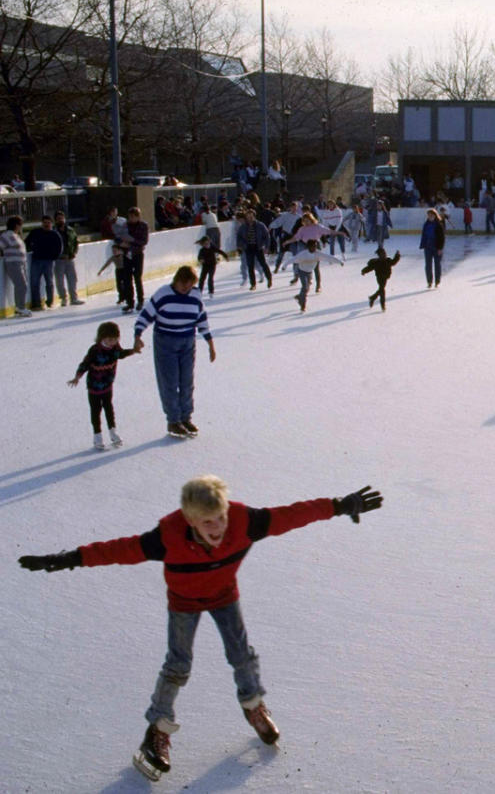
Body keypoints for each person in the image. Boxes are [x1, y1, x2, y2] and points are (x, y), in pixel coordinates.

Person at [17, 476, 383, 782]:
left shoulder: (244, 521)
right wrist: (68, 559)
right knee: (178, 666)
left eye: (221, 518)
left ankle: (253, 705)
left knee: (242, 654)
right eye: (209, 523)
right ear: (190, 520)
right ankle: (157, 730)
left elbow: (292, 514)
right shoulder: (167, 536)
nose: (219, 528)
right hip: (184, 602)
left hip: (225, 594)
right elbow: (119, 550)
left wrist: (339, 505)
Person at [133, 265, 216, 439]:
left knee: (186, 381)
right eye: (182, 285)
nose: (185, 289)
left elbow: (201, 319)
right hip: (165, 342)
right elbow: (146, 315)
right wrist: (138, 335)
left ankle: (185, 418)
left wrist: (210, 343)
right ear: (176, 281)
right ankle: (173, 420)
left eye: (189, 285)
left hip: (188, 341)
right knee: (169, 382)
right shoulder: (164, 294)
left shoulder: (195, 295)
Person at [68, 320, 140, 450]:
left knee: (108, 408)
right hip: (94, 387)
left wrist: (132, 351)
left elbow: (120, 354)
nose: (112, 342)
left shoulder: (115, 347)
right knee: (96, 411)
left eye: (114, 339)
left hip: (107, 385)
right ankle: (97, 436)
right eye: (109, 340)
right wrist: (77, 376)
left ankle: (113, 432)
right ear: (102, 337)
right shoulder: (95, 350)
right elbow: (85, 364)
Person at [280, 239, 344, 312]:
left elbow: (328, 257)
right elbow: (293, 259)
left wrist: (339, 262)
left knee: (307, 288)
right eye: (312, 246)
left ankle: (300, 297)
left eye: (315, 246)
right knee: (305, 287)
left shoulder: (318, 254)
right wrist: (284, 266)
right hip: (302, 271)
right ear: (308, 247)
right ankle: (303, 305)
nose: (314, 248)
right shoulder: (303, 254)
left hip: (309, 272)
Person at [25, 214, 63, 309]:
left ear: (51, 224)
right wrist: (31, 249)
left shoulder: (55, 235)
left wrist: (54, 257)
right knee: (34, 282)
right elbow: (26, 242)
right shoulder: (35, 232)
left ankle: (50, 301)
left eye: (48, 223)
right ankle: (36, 303)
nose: (46, 225)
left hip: (49, 262)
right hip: (36, 260)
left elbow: (59, 247)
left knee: (49, 282)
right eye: (44, 223)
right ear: (41, 223)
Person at [236, 209, 272, 291]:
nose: (250, 218)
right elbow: (239, 237)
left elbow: (267, 236)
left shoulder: (260, 225)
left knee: (263, 264)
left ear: (254, 216)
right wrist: (240, 245)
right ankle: (253, 284)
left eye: (251, 216)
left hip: (258, 247)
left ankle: (269, 278)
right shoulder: (243, 226)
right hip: (248, 247)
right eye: (248, 217)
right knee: (250, 266)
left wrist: (266, 247)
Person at [53, 210, 83, 306]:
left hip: (70, 259)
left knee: (73, 279)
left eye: (62, 218)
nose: (60, 220)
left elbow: (75, 242)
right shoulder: (53, 232)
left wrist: (74, 252)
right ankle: (63, 298)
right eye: (58, 219)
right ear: (55, 220)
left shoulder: (70, 230)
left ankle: (74, 298)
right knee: (60, 281)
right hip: (59, 260)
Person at [362, 247, 401, 312]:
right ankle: (382, 305)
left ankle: (373, 298)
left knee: (381, 289)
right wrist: (363, 271)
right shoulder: (376, 262)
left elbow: (393, 262)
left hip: (385, 277)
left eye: (385, 254)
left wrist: (397, 255)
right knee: (382, 290)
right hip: (379, 278)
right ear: (379, 255)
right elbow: (369, 268)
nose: (384, 255)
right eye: (382, 254)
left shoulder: (387, 260)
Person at [125, 207, 150, 310]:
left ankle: (140, 300)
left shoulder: (143, 226)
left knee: (137, 278)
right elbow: (119, 238)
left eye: (132, 216)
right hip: (127, 255)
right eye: (129, 216)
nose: (130, 219)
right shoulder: (125, 225)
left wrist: (131, 242)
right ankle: (130, 302)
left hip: (138, 254)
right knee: (127, 279)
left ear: (137, 216)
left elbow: (144, 241)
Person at [418, 208, 446, 288]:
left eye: (431, 215)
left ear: (435, 215)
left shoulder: (439, 225)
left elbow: (442, 237)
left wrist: (440, 248)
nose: (430, 216)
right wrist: (423, 245)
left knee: (437, 265)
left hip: (436, 247)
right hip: (427, 247)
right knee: (428, 265)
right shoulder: (426, 224)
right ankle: (429, 281)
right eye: (429, 215)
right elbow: (424, 235)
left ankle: (437, 281)